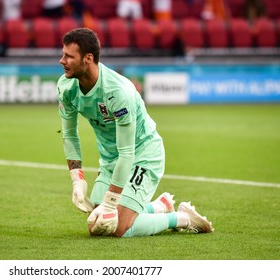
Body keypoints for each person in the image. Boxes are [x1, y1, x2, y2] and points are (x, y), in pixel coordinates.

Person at [57, 28, 214, 238]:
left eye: (69, 56)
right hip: (112, 159)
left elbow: (127, 153)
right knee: (99, 223)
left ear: (88, 59)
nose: (62, 60)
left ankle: (182, 218)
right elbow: (69, 134)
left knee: (119, 228)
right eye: (63, 54)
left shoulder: (118, 92)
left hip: (143, 154)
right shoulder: (65, 86)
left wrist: (111, 201)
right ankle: (158, 207)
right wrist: (77, 179)